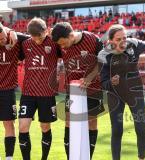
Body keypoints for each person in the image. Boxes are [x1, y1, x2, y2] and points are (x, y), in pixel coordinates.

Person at [98, 24, 145, 160]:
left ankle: (141, 157)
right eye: (119, 39)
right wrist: (111, 82)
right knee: (117, 129)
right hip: (114, 94)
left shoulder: (133, 44)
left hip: (135, 91)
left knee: (141, 127)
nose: (123, 42)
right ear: (110, 41)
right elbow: (103, 83)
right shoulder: (103, 55)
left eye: (124, 38)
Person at [51, 22, 104, 160]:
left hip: (93, 88)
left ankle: (88, 157)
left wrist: (90, 77)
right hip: (73, 91)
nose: (62, 47)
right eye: (60, 45)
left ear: (71, 35)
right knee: (69, 121)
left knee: (91, 122)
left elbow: (103, 61)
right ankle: (70, 157)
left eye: (63, 43)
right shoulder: (60, 43)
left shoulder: (93, 40)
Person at [18, 18, 61, 160]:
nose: (37, 41)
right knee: (23, 127)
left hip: (47, 94)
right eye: (34, 38)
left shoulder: (55, 44)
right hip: (28, 93)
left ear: (46, 30)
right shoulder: (25, 44)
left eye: (40, 37)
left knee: (45, 127)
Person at [0, 23, 28, 160]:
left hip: (7, 90)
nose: (2, 41)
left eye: (3, 37)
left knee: (9, 124)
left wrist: (13, 32)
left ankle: (9, 158)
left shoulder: (17, 39)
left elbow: (36, 37)